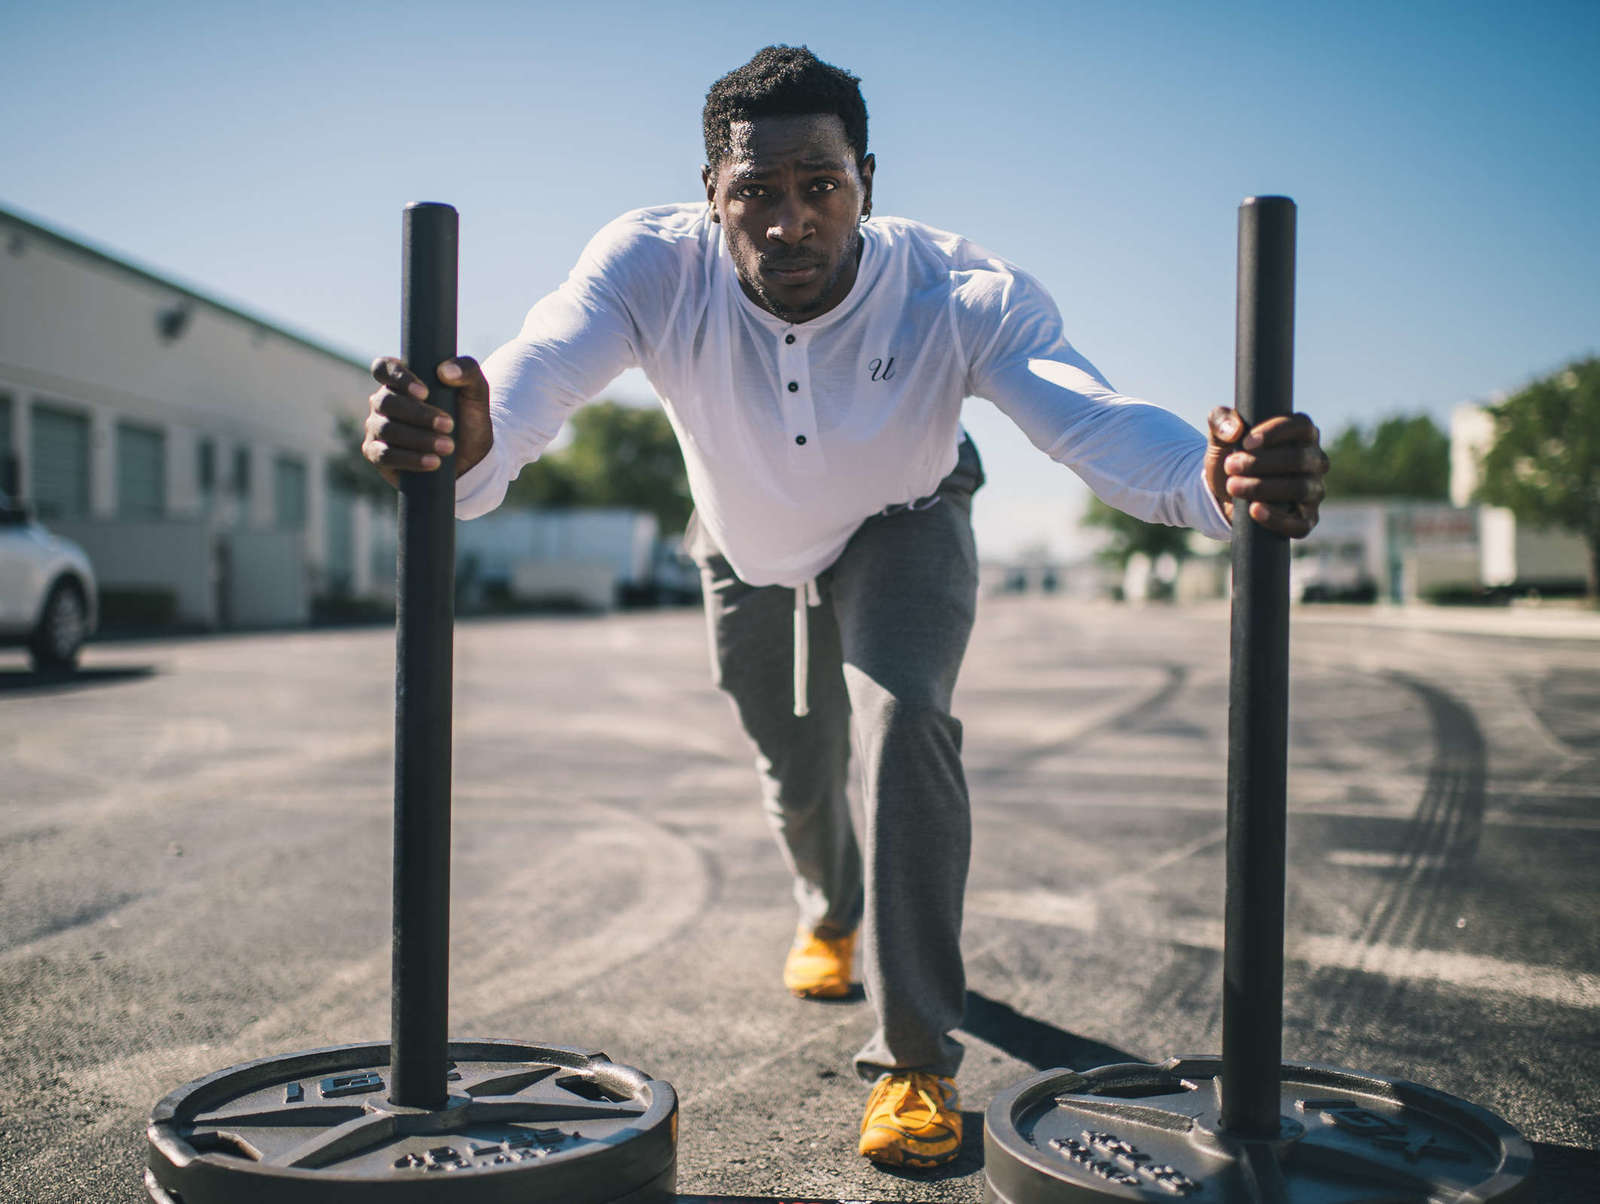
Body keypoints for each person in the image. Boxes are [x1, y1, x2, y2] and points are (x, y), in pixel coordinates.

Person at [362, 44, 1329, 1169]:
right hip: (743, 540)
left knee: (901, 718)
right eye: (754, 193)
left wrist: (1214, 479)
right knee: (794, 759)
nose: (788, 222)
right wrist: (470, 439)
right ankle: (830, 907)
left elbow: (1092, 419)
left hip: (903, 516)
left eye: (819, 186)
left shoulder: (956, 290)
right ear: (709, 197)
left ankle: (915, 1057)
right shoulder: (646, 268)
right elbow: (531, 379)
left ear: (866, 181)